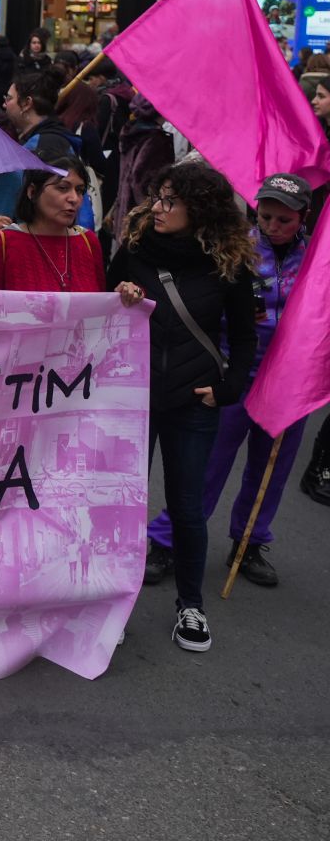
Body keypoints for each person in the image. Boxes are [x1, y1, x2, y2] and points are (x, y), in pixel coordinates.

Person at [108, 161, 258, 654]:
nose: (158, 208)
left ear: (199, 210)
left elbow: (242, 335)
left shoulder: (226, 264)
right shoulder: (133, 251)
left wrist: (227, 388)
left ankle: (190, 607)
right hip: (132, 395)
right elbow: (99, 307)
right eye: (157, 197)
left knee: (187, 509)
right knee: (122, 506)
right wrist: (120, 296)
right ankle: (112, 604)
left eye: (171, 201)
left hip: (194, 402)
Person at [144, 173, 312, 590]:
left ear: (303, 218)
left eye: (283, 220)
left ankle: (250, 541)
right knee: (208, 465)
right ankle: (167, 541)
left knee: (270, 468)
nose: (272, 227)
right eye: (266, 216)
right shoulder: (237, 250)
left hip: (289, 380)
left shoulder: (317, 261)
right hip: (234, 370)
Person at [0, 157, 105, 293]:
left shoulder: (88, 242)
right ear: (32, 192)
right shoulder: (0, 243)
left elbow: (100, 308)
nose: (74, 198)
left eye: (80, 190)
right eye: (63, 188)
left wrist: (123, 298)